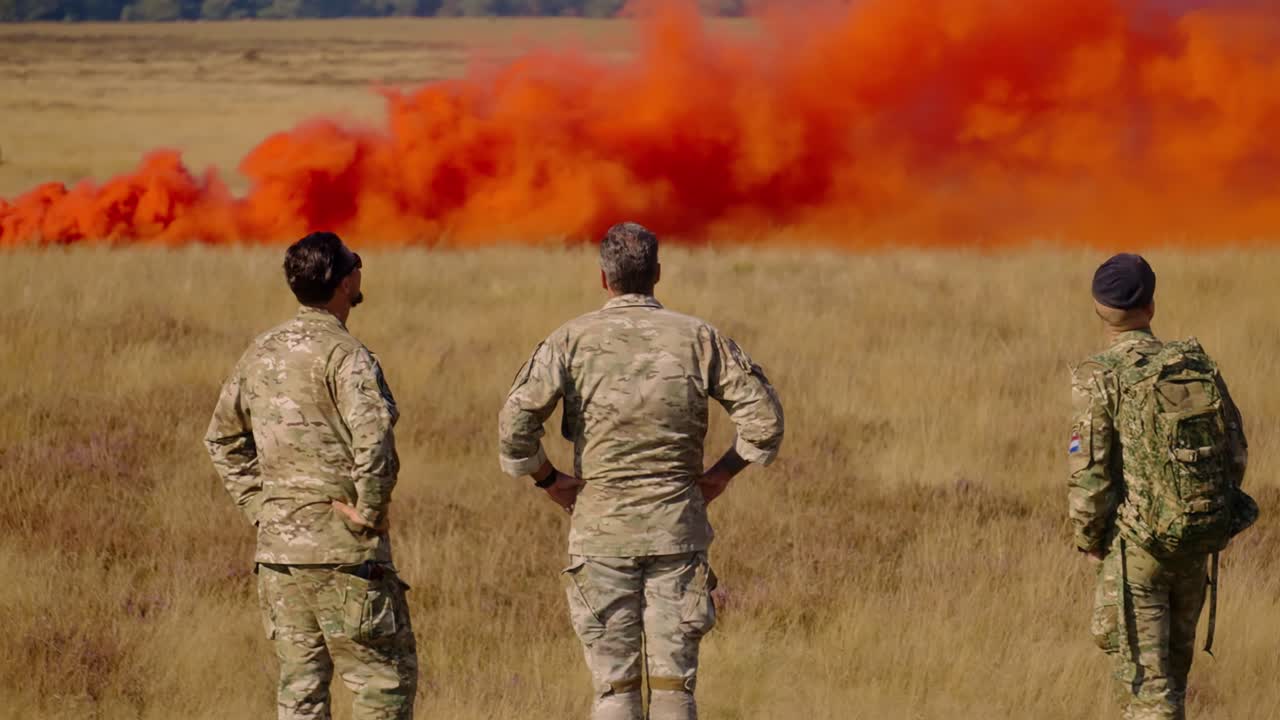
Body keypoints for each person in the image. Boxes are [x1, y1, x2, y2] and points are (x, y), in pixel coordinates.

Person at [497, 222, 785, 720]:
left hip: (600, 533)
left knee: (614, 691)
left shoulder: (569, 340)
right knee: (675, 690)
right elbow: (764, 420)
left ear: (604, 279)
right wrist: (721, 473)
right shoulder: (699, 338)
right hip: (678, 532)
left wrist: (550, 481)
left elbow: (513, 426)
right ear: (657, 273)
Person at [204, 231, 418, 720]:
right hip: (345, 558)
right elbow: (375, 437)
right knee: (382, 688)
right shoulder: (346, 355)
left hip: (280, 559)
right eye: (355, 264)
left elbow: (221, 439)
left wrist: (262, 509)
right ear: (346, 283)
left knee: (300, 696)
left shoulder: (260, 352)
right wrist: (369, 511)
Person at [1068, 253, 1255, 720]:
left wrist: (1091, 542)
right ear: (1151, 305)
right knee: (1172, 685)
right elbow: (1236, 453)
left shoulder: (1100, 374)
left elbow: (1089, 477)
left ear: (1097, 307)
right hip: (1194, 546)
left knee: (1150, 700)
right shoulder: (1193, 364)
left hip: (1138, 554)